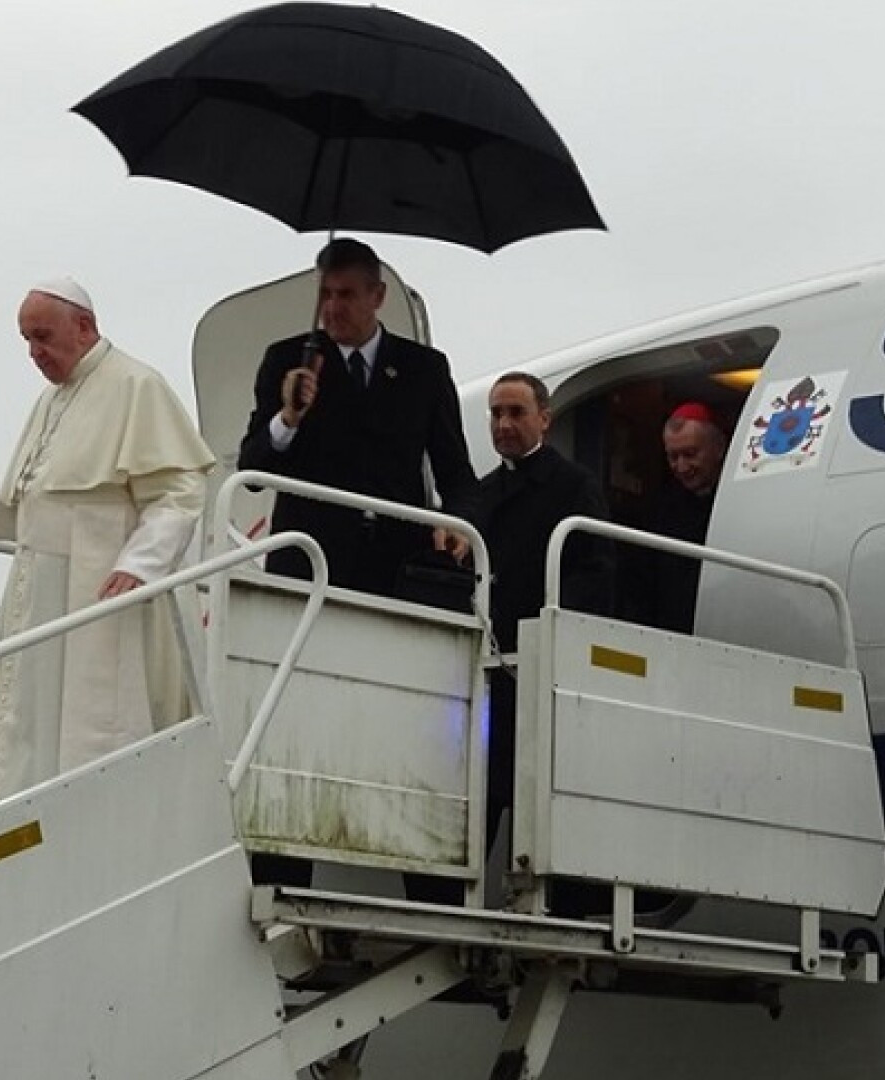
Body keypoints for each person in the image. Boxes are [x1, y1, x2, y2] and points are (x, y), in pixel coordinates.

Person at [0, 278, 215, 813]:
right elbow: (37, 499)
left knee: (95, 725)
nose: (34, 353)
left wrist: (140, 564)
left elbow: (179, 492)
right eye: (26, 340)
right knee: (27, 730)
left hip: (99, 590)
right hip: (37, 596)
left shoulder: (136, 386)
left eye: (43, 336)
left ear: (83, 327)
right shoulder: (50, 401)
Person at [405, 372, 614, 905]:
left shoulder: (574, 487)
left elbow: (597, 571)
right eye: (496, 413)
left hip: (537, 668)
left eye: (516, 413)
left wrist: (548, 622)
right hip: (484, 668)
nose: (504, 424)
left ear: (544, 418)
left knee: (525, 799)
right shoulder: (479, 495)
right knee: (469, 795)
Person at [236, 237, 477, 598]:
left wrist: (459, 522)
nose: (332, 308)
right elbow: (252, 469)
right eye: (325, 295)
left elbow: (455, 471)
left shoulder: (424, 369)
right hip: (309, 564)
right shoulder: (287, 360)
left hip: (396, 570)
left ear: (377, 296)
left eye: (345, 295)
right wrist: (288, 418)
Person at [624, 401, 729, 634]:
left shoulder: (737, 501)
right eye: (673, 457)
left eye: (690, 454)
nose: (682, 467)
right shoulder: (658, 511)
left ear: (719, 448)